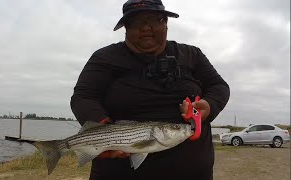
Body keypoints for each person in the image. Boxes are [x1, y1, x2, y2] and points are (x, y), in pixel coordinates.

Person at [70, 0, 230, 179]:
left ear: (166, 24)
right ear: (126, 28)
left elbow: (219, 86)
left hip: (192, 171)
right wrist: (104, 130)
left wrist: (209, 105)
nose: (146, 28)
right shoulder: (104, 59)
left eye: (154, 20)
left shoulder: (192, 55)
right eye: (137, 22)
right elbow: (83, 97)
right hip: (118, 171)